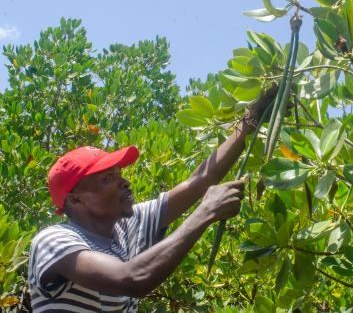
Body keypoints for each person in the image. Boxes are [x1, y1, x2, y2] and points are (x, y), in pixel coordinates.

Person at [28, 92, 274, 312]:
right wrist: (205, 212)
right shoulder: (54, 240)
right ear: (75, 199)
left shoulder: (128, 227)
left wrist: (251, 120)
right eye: (108, 178)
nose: (124, 182)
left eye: (120, 174)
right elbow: (130, 279)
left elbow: (199, 182)